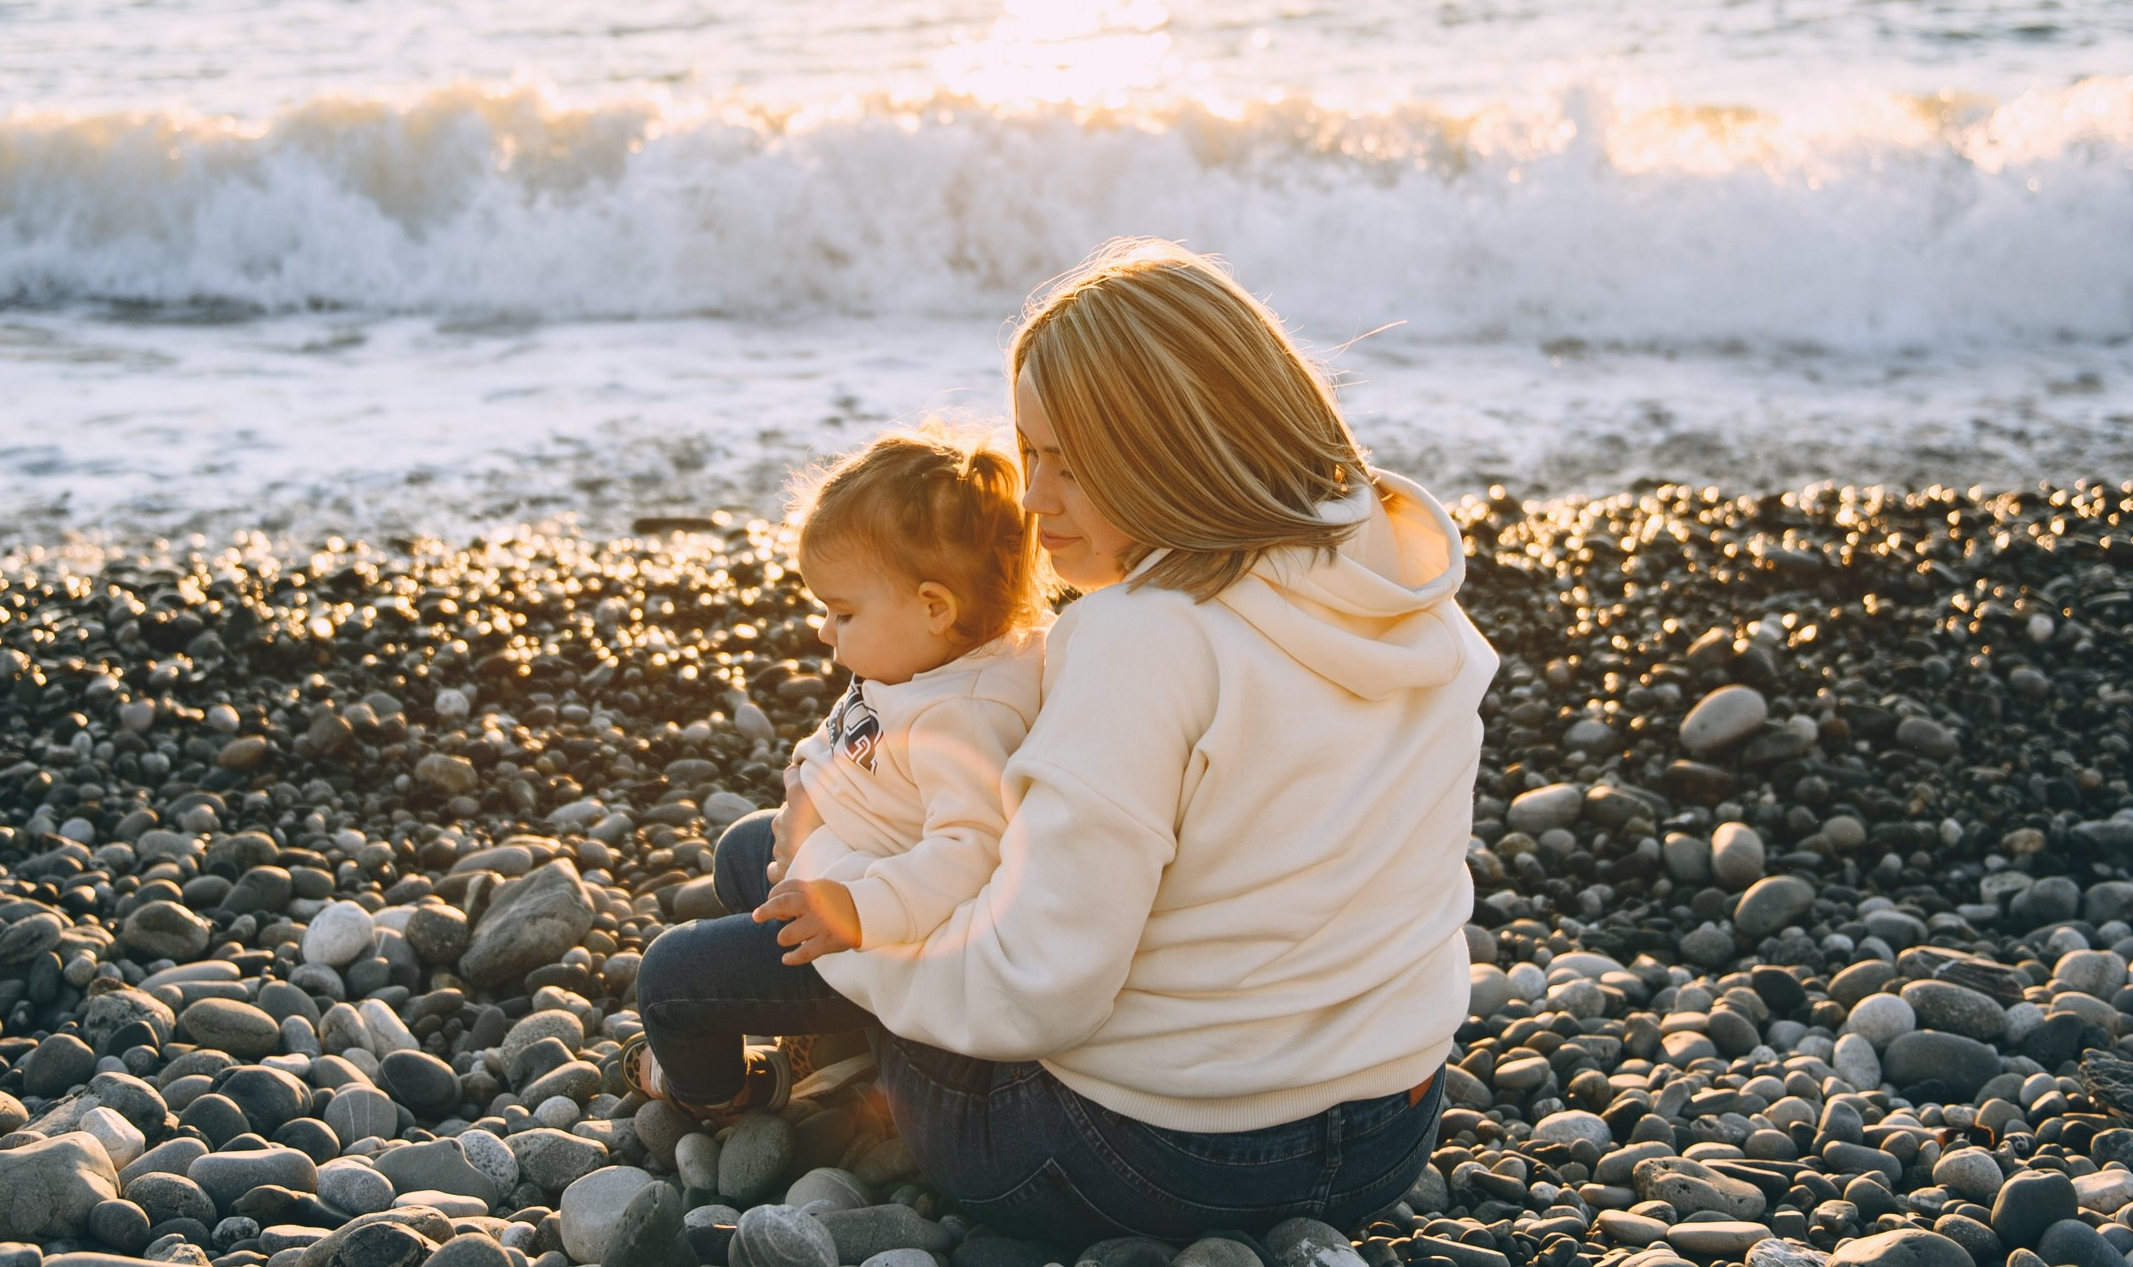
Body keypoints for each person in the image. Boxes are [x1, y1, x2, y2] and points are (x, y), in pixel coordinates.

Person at [806, 240, 1500, 1240]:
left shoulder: (1143, 633)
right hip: (1391, 1126)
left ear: (1173, 447)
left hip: (1160, 1162)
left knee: (784, 864)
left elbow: (1033, 993)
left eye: (1067, 464)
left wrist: (831, 881)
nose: (1032, 499)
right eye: (1026, 452)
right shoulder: (1396, 585)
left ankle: (748, 1062)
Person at [632, 428, 1047, 1115]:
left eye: (843, 611)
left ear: (934, 606)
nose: (825, 630)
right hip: (842, 860)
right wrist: (807, 792)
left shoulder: (966, 715)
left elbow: (970, 851)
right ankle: (836, 1039)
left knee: (667, 980)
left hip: (874, 929)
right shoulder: (925, 658)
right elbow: (855, 735)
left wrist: (858, 911)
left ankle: (727, 1091)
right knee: (741, 848)